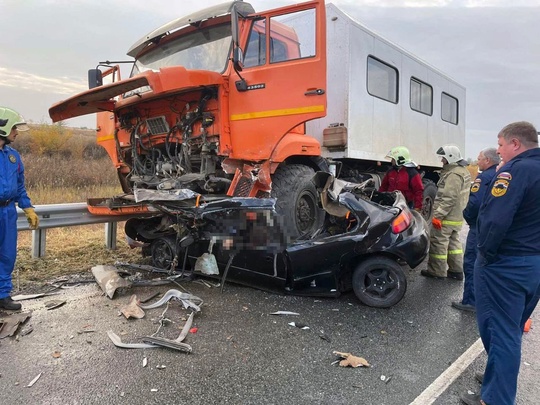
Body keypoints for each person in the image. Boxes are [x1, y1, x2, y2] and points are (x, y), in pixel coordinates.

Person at [460, 121, 540, 405]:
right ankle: (498, 377)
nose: (499, 150)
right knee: (511, 329)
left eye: (501, 144)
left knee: (500, 331)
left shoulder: (514, 171)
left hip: (507, 264)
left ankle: (495, 399)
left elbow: (494, 220)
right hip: (534, 264)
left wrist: (487, 255)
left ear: (516, 144)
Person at [0, 107, 39, 311]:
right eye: (14, 128)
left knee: (7, 255)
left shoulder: (12, 156)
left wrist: (28, 207)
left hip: (7, 212)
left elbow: (19, 186)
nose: (16, 132)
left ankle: (3, 296)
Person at [451, 148, 500, 312]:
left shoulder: (483, 177)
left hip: (479, 227)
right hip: (490, 227)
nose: (477, 162)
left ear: (487, 160)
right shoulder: (499, 175)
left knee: (471, 262)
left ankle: (470, 300)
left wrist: (469, 218)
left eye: (479, 159)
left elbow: (475, 204)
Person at [421, 145, 470, 280]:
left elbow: (449, 197)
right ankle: (456, 271)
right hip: (456, 215)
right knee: (454, 243)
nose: (441, 161)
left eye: (443, 158)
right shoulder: (462, 171)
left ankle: (436, 272)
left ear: (450, 158)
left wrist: (438, 216)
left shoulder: (453, 174)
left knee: (438, 242)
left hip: (447, 216)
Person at [379, 146, 424, 211]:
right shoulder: (390, 172)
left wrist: (417, 208)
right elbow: (383, 187)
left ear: (399, 159)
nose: (391, 161)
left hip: (406, 206)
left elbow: (418, 191)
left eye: (393, 159)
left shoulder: (412, 173)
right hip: (389, 204)